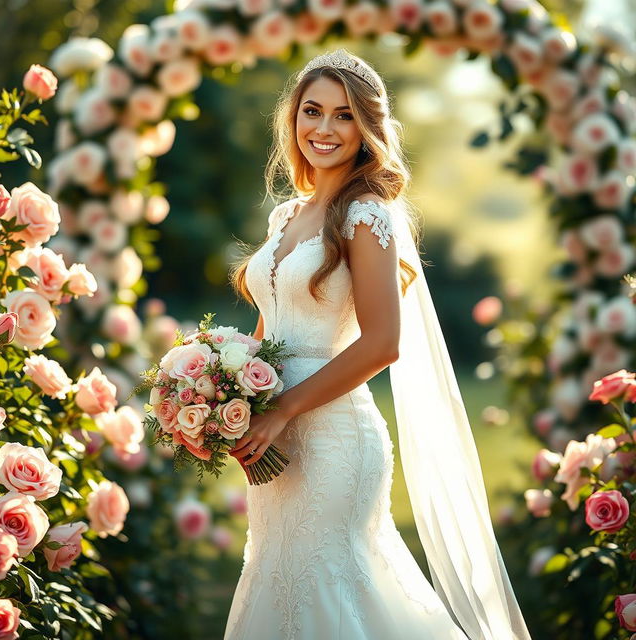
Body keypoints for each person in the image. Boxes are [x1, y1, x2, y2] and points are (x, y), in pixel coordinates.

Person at [225, 48, 532, 640]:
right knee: (279, 585)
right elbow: (268, 329)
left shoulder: (365, 213)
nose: (324, 128)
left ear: (366, 128)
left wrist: (283, 407)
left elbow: (383, 343)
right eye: (312, 111)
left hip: (335, 441)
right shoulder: (286, 216)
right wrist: (223, 393)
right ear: (292, 119)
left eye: (343, 116)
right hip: (271, 440)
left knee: (330, 592)